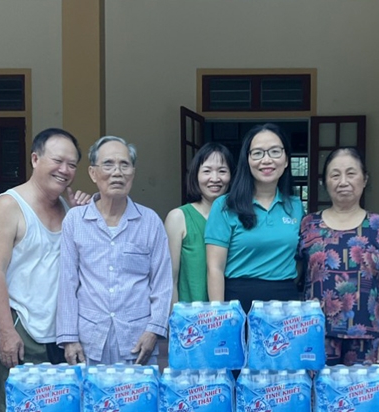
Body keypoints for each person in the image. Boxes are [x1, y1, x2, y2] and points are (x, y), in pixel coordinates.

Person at [0, 128, 90, 412]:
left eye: (71, 164)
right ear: (35, 159)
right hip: (23, 325)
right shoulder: (8, 204)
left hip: (61, 330)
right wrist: (5, 329)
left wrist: (82, 216)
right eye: (57, 160)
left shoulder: (67, 206)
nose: (64, 169)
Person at [57, 136, 172, 365]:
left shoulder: (150, 222)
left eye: (124, 165)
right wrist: (69, 338)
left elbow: (163, 283)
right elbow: (67, 282)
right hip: (89, 342)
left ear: (133, 173)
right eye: (108, 164)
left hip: (139, 343)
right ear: (92, 173)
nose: (117, 172)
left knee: (138, 401)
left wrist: (154, 331)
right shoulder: (75, 221)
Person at [298, 147, 379, 366]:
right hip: (316, 336)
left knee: (364, 398)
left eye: (351, 173)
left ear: (364, 179)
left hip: (367, 338)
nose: (343, 182)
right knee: (318, 398)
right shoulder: (308, 225)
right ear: (325, 182)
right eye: (335, 175)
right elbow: (298, 277)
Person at [205, 123, 303, 312]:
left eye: (275, 152)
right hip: (238, 303)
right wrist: (221, 315)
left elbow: (300, 259)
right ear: (247, 160)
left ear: (287, 159)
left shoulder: (296, 207)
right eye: (258, 153)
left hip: (284, 306)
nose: (266, 160)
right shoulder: (225, 205)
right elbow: (215, 268)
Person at [165, 143, 234, 303]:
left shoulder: (238, 217)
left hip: (231, 318)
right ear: (196, 174)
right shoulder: (179, 217)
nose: (215, 179)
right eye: (207, 171)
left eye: (222, 171)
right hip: (191, 321)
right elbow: (170, 280)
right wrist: (175, 321)